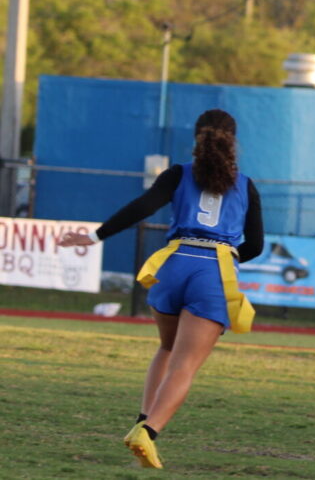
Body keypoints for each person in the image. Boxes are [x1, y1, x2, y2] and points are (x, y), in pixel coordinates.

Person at [58, 109, 264, 469]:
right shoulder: (245, 185)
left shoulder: (177, 173)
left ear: (197, 136)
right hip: (214, 269)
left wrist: (93, 236)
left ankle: (141, 418)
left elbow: (142, 207)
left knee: (168, 347)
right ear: (234, 140)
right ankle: (148, 432)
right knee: (185, 364)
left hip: (174, 263)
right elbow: (257, 245)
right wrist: (227, 260)